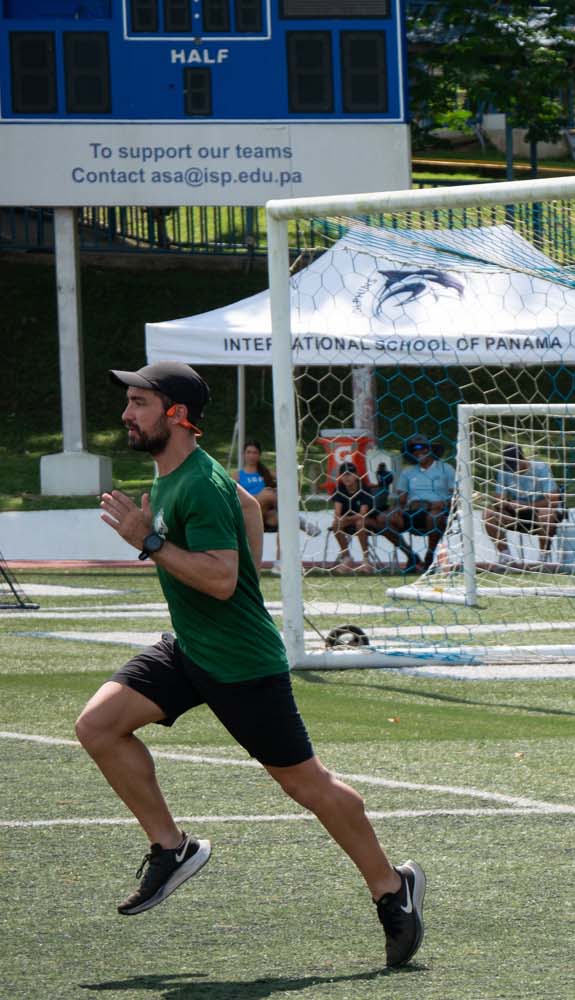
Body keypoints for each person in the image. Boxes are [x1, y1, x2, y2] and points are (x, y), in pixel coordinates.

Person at [77, 361, 426, 968]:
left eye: (139, 402)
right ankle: (172, 847)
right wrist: (244, 580)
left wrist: (150, 541)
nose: (126, 414)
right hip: (190, 648)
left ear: (177, 415)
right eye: (129, 402)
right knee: (98, 725)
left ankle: (393, 889)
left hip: (241, 663)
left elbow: (218, 579)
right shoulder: (179, 474)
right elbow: (245, 508)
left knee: (305, 784)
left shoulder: (196, 485)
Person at [368, 434, 456, 573]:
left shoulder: (446, 468)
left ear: (430, 449)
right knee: (382, 519)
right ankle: (411, 556)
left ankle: (430, 556)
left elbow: (456, 494)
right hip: (413, 510)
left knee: (434, 517)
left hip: (439, 510)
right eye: (414, 449)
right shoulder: (408, 472)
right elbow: (401, 499)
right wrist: (396, 509)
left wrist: (444, 503)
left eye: (422, 448)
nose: (418, 451)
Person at [483, 444, 564, 563]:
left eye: (515, 466)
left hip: (539, 512)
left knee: (546, 515)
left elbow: (554, 501)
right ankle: (506, 557)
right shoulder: (504, 471)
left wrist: (527, 506)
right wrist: (506, 503)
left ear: (523, 459)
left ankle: (543, 558)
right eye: (510, 467)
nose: (513, 470)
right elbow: (499, 499)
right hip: (516, 513)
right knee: (488, 514)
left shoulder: (540, 468)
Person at [331, 461, 374, 574]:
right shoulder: (340, 490)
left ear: (356, 475)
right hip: (349, 521)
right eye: (344, 474)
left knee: (360, 522)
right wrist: (340, 519)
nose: (346, 477)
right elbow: (337, 512)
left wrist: (345, 519)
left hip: (368, 522)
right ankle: (347, 558)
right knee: (336, 525)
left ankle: (366, 559)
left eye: (349, 474)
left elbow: (363, 514)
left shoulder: (364, 489)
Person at [236, 440, 277, 530]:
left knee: (279, 518)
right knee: (268, 493)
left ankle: (287, 542)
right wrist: (258, 496)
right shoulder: (237, 476)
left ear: (259, 455)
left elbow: (288, 478)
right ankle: (298, 519)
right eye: (249, 452)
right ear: (243, 454)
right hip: (248, 510)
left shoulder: (266, 472)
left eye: (255, 453)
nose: (251, 456)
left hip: (265, 512)